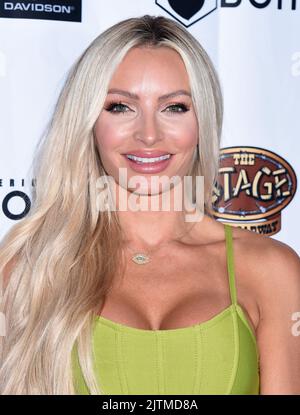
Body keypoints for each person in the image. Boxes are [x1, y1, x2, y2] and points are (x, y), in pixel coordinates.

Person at [0, 15, 300, 396]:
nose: (148, 135)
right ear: (88, 120)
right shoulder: (29, 269)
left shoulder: (270, 269)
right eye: (120, 107)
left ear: (203, 120)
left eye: (174, 107)